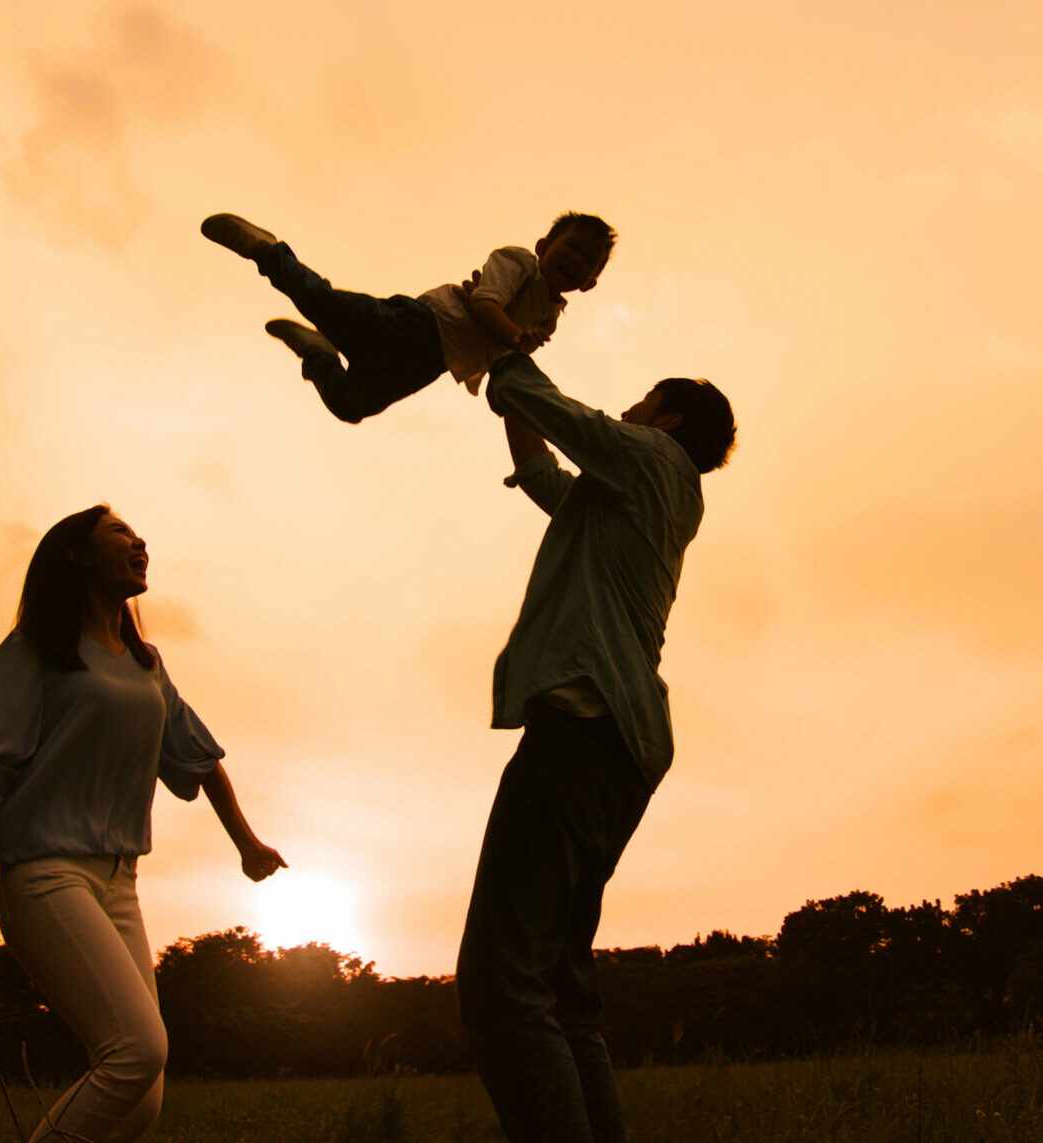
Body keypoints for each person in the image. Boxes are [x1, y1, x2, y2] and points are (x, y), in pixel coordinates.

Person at [0, 504, 286, 1143]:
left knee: (142, 1099)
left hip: (121, 883)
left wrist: (247, 845)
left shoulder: (146, 663)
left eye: (137, 533)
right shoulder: (36, 650)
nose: (138, 540)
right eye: (119, 532)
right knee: (136, 1051)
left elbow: (199, 758)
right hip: (46, 877)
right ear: (76, 555)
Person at [458, 352, 736, 1143]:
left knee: (501, 989)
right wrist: (509, 389)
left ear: (668, 419)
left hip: (584, 726)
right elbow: (541, 466)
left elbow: (552, 409)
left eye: (645, 399)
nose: (630, 407)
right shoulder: (627, 495)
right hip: (619, 742)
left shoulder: (652, 458)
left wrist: (502, 342)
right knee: (559, 988)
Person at [198, 210, 614, 423]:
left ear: (591, 282)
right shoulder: (519, 263)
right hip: (419, 325)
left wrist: (513, 367)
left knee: (351, 405)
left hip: (432, 362)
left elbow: (505, 360)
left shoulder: (550, 316)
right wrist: (516, 335)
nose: (577, 259)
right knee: (319, 300)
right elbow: (486, 304)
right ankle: (267, 251)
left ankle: (319, 354)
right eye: (572, 247)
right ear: (543, 246)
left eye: (589, 260)